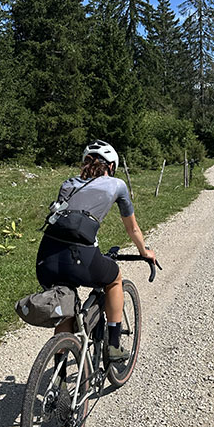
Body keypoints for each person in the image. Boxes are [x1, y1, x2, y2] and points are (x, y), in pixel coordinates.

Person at [36, 140, 156, 361]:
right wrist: (145, 251)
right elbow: (133, 228)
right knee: (114, 279)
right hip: (80, 256)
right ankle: (113, 345)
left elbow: (69, 222)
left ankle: (59, 381)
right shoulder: (117, 184)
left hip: (46, 258)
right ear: (111, 166)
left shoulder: (67, 184)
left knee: (67, 303)